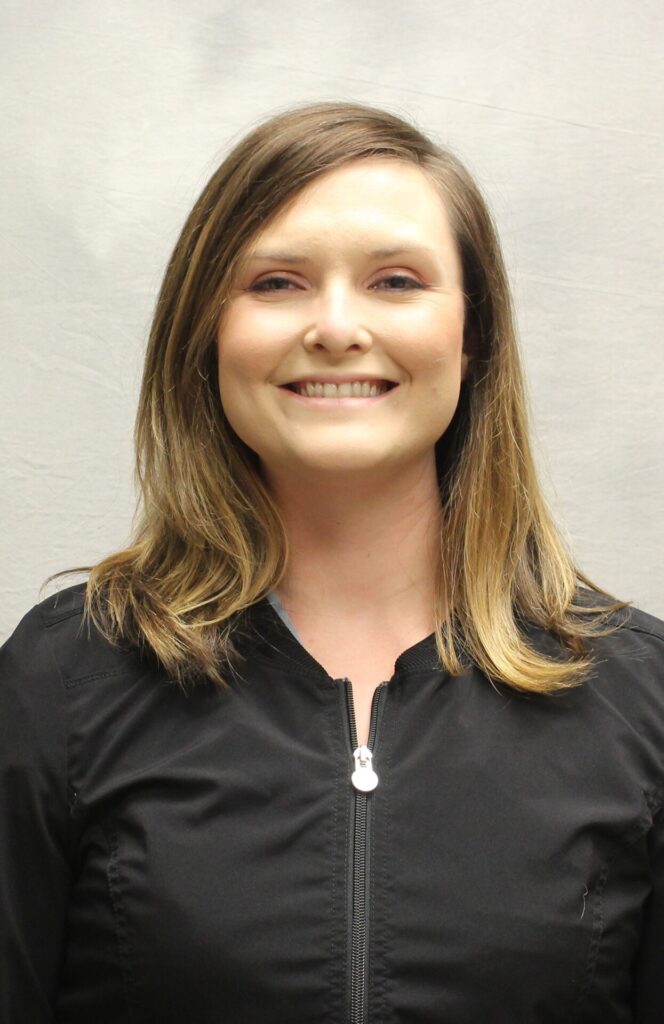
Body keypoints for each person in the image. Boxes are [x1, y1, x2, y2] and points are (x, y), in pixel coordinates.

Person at [1, 100, 662, 1024]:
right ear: (206, 330)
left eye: (396, 281)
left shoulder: (638, 697)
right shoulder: (61, 681)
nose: (336, 327)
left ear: (473, 337)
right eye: (277, 283)